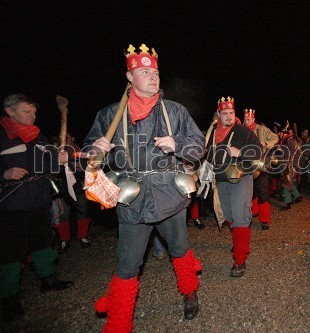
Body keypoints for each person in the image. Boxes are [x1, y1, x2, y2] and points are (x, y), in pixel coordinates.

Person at [83, 43, 206, 330]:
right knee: (127, 264)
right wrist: (94, 150)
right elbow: (90, 152)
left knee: (179, 248)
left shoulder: (174, 111)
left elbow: (199, 146)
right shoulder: (109, 115)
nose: (153, 77)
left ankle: (189, 292)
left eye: (156, 72)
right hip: (131, 199)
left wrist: (179, 145)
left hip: (169, 194)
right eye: (145, 72)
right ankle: (119, 324)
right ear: (129, 76)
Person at [0, 94, 74, 322]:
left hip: (39, 197)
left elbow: (48, 163)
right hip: (12, 202)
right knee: (11, 250)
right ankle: (9, 297)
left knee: (43, 240)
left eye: (34, 112)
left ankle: (47, 279)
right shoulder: (2, 135)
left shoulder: (37, 135)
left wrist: (58, 157)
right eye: (27, 112)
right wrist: (4, 173)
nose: (33, 116)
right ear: (10, 111)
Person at [205, 97, 261, 277]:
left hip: (240, 178)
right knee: (229, 215)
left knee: (240, 217)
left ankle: (240, 259)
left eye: (231, 113)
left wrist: (241, 152)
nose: (228, 117)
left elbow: (258, 152)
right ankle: (238, 240)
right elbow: (206, 153)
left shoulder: (243, 132)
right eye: (224, 114)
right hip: (221, 180)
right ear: (218, 115)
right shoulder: (212, 133)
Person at [54, 133, 92, 252]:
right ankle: (64, 240)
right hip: (62, 188)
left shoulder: (79, 152)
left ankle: (83, 237)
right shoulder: (56, 152)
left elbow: (84, 167)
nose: (64, 141)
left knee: (82, 211)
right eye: (61, 139)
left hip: (78, 186)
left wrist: (70, 161)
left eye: (67, 138)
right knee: (63, 214)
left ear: (73, 138)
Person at [243, 108, 278, 230]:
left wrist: (265, 143)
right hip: (247, 166)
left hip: (261, 165)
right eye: (245, 119)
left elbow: (274, 137)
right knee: (249, 193)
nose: (246, 121)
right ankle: (253, 213)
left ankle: (264, 220)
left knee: (262, 192)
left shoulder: (261, 129)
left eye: (248, 119)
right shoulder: (242, 130)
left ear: (253, 118)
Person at [276, 123, 302, 211]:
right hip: (283, 163)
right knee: (288, 182)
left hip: (288, 164)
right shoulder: (282, 140)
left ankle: (287, 203)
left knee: (285, 183)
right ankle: (298, 196)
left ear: (284, 132)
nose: (278, 134)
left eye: (280, 132)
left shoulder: (289, 140)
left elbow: (292, 152)